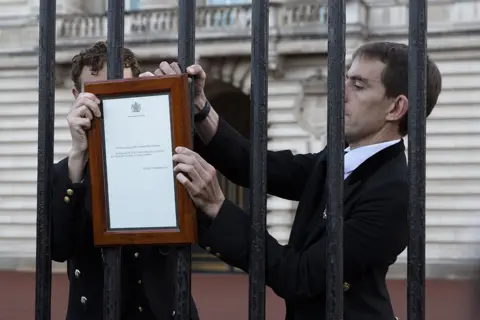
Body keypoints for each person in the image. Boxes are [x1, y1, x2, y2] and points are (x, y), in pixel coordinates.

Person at [157, 41, 442, 319]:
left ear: (395, 108)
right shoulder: (339, 156)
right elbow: (258, 167)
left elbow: (299, 277)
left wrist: (218, 206)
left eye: (358, 85)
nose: (340, 92)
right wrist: (201, 108)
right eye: (346, 80)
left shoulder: (394, 193)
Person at [50, 41, 199, 320]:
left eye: (118, 89)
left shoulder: (166, 151)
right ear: (76, 95)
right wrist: (78, 155)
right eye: (97, 93)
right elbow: (58, 248)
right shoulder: (65, 172)